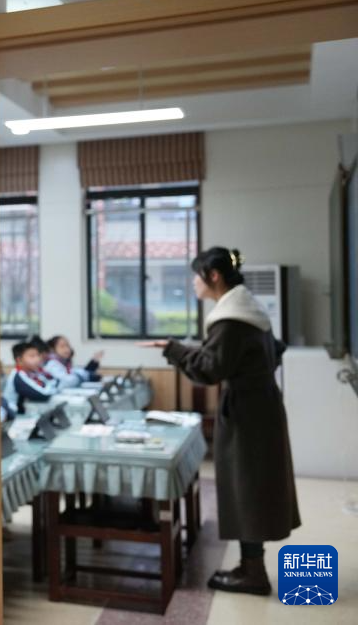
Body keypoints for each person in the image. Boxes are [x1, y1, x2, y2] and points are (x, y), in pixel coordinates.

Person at [138, 246, 300, 596]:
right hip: (260, 406)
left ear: (213, 276)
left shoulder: (230, 319)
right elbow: (274, 350)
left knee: (247, 488)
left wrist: (173, 350)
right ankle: (251, 566)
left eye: (196, 276)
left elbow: (209, 369)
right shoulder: (249, 310)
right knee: (252, 487)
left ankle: (253, 573)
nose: (193, 283)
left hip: (247, 414)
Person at [2, 341, 60, 415]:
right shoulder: (18, 375)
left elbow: (54, 381)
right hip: (13, 415)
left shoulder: (32, 373)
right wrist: (54, 388)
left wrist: (52, 387)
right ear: (19, 360)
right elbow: (43, 395)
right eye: (32, 356)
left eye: (38, 355)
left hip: (27, 411)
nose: (38, 359)